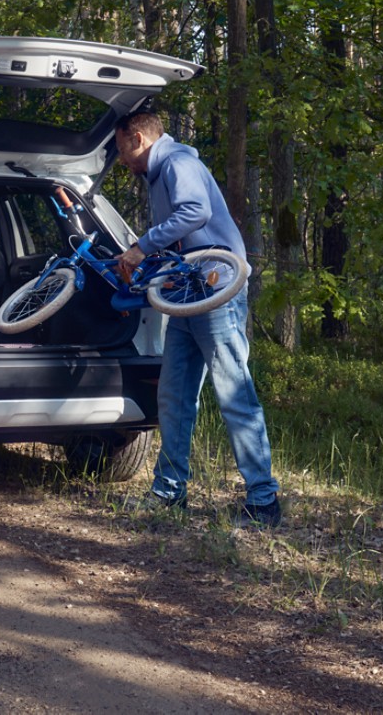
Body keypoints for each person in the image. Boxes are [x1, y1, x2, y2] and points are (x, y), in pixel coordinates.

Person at [114, 110, 281, 526]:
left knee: (234, 393)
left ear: (137, 139)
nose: (121, 161)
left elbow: (195, 212)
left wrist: (142, 247)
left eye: (121, 150)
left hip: (216, 290)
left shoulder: (178, 163)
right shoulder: (158, 173)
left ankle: (263, 501)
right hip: (187, 293)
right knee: (173, 396)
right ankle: (169, 493)